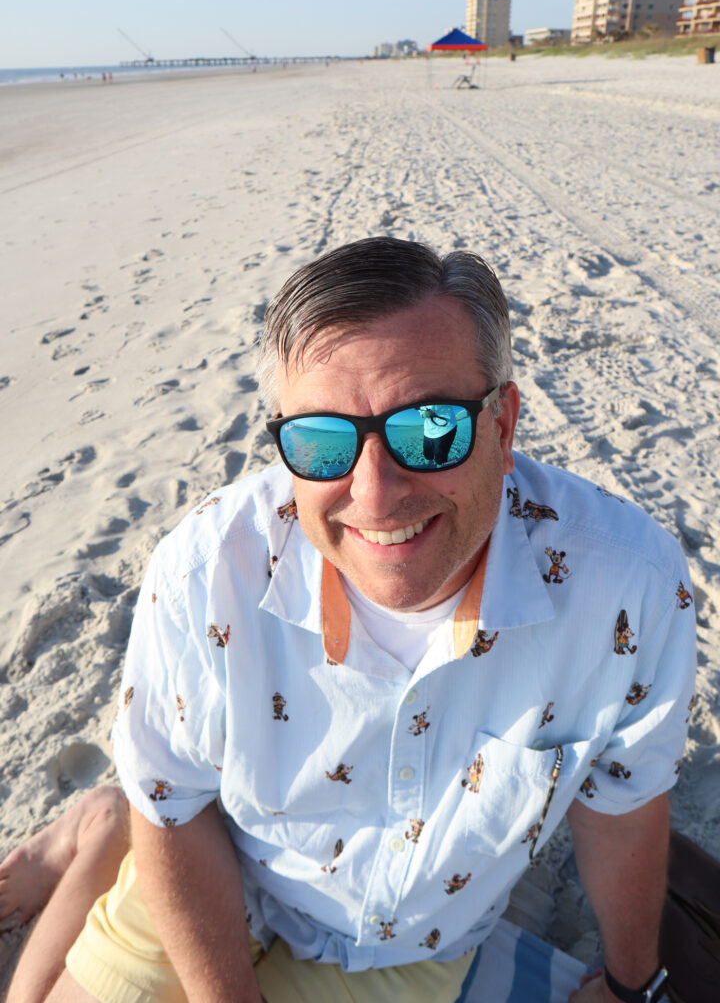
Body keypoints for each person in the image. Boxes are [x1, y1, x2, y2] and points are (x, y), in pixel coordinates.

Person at [2, 237, 695, 1003]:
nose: (374, 493)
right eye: (323, 441)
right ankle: (109, 825)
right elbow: (176, 810)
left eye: (430, 430)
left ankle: (104, 826)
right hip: (219, 869)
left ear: (503, 426)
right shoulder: (206, 575)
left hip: (424, 944)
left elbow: (621, 805)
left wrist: (634, 985)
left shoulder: (627, 589)